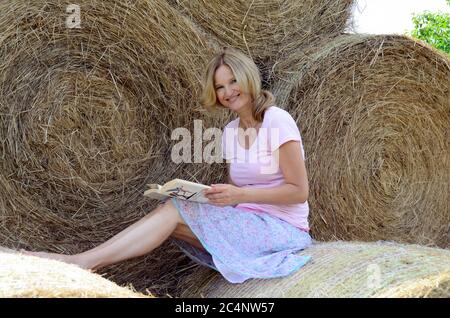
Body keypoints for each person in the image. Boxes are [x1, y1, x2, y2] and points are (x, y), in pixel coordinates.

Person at [21, 47, 312, 284]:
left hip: (283, 230)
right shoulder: (230, 133)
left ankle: (82, 262)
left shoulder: (276, 119)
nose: (228, 92)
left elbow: (298, 191)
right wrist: (213, 195)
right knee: (171, 211)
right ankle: (86, 262)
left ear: (247, 78)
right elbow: (248, 188)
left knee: (174, 212)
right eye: (220, 87)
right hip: (250, 222)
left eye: (233, 81)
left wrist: (240, 196)